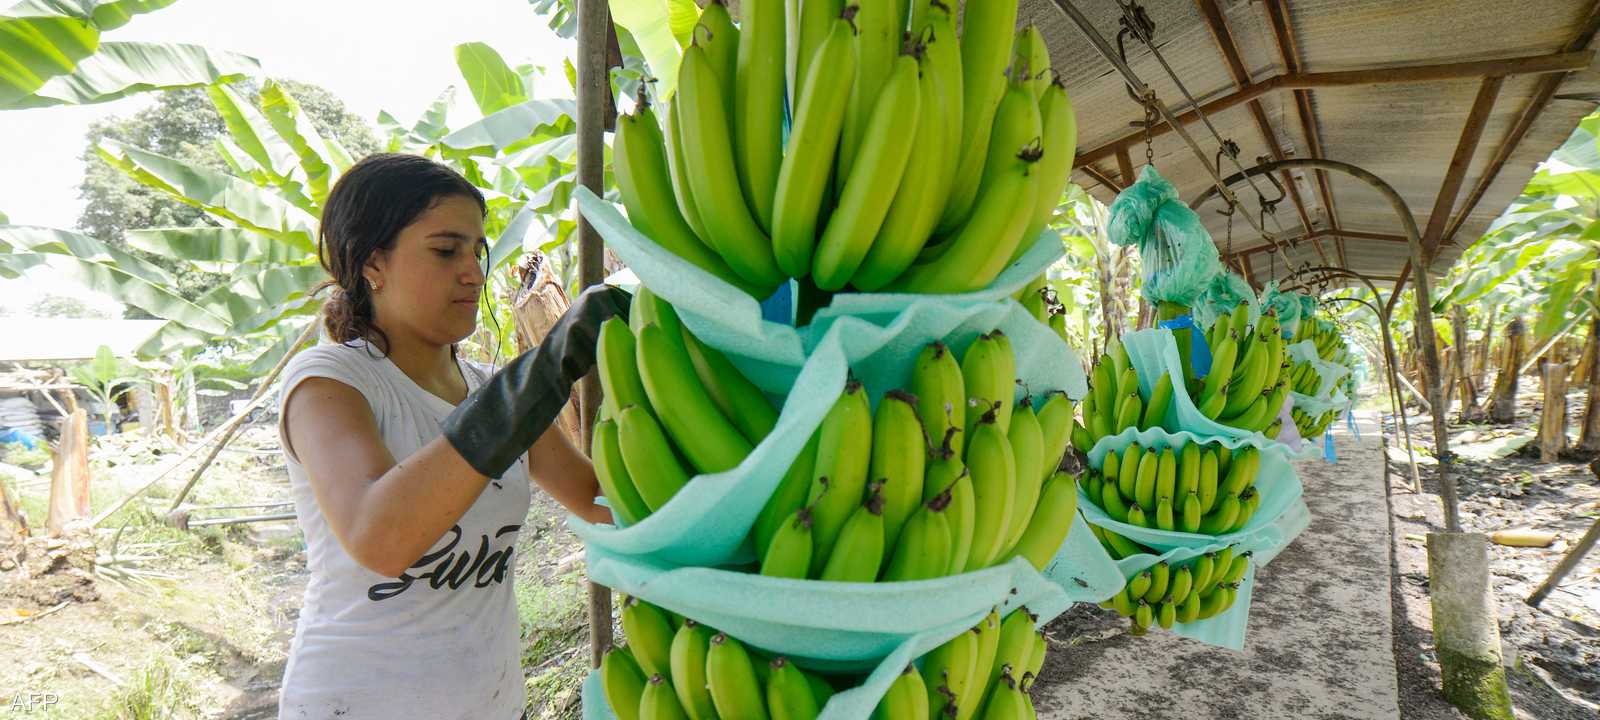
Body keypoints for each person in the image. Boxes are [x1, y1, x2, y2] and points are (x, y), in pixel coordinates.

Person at [275, 153, 627, 719]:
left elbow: (600, 502)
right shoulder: (330, 382)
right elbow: (380, 537)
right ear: (373, 263)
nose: (472, 271)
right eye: (445, 251)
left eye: (476, 251)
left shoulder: (491, 390)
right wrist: (535, 381)